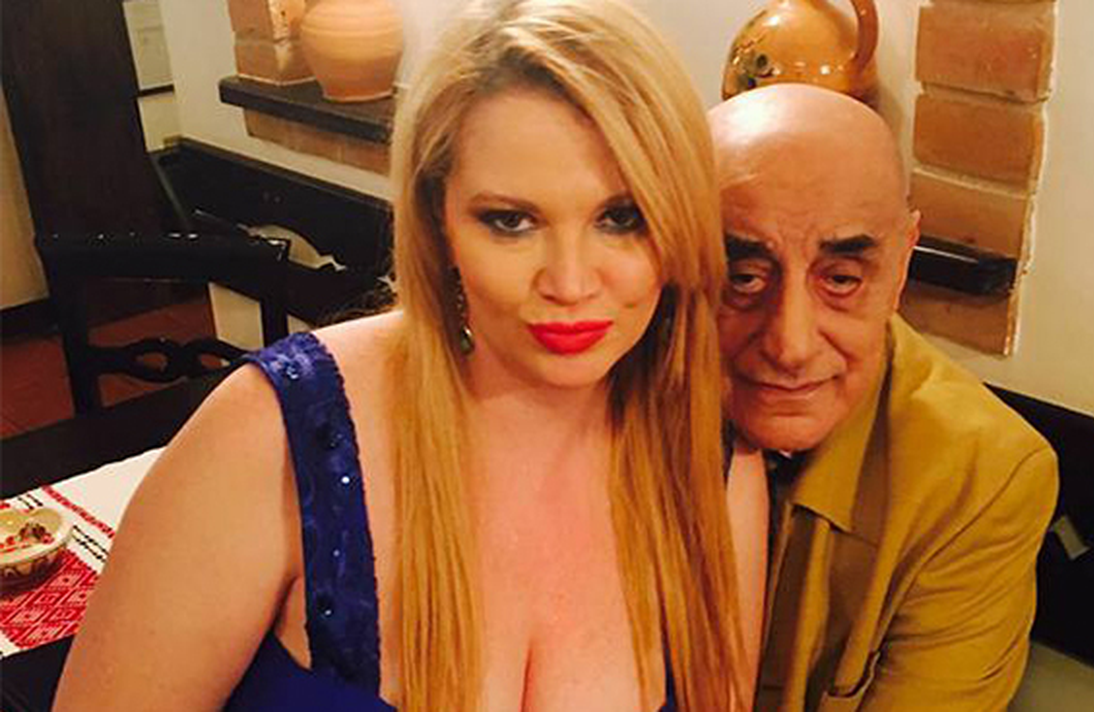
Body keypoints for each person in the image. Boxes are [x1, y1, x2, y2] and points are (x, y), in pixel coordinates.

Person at [54, 1, 767, 710]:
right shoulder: (279, 435)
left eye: (622, 217)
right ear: (439, 222)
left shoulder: (709, 454)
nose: (571, 282)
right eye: (511, 221)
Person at [708, 84, 1058, 712]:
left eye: (841, 280)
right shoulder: (609, 404)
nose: (791, 344)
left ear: (900, 266)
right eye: (743, 278)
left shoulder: (978, 478)